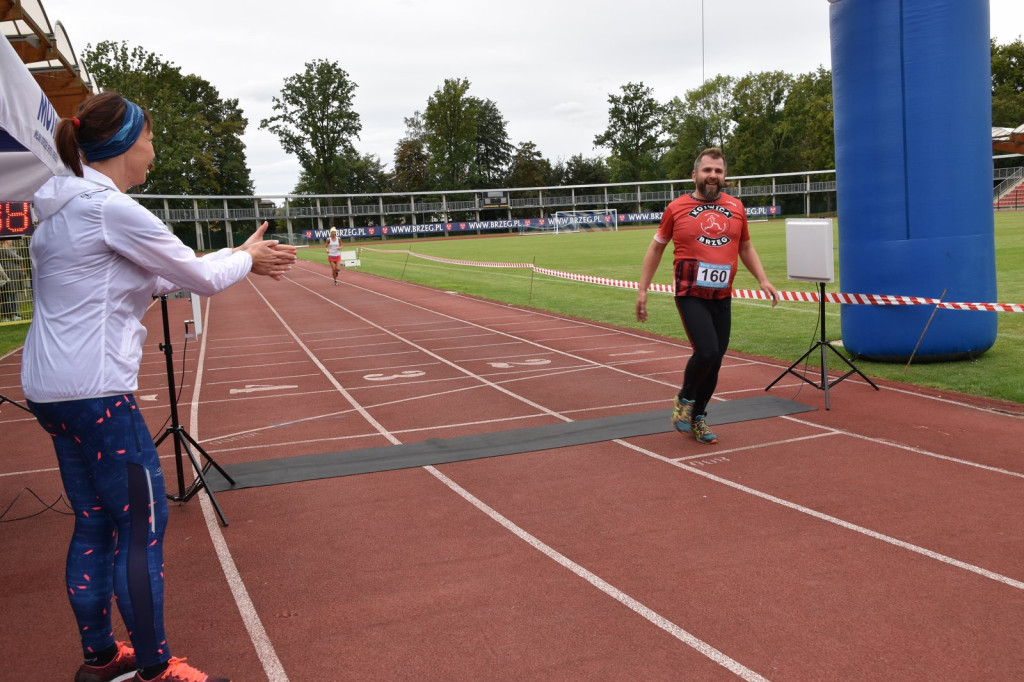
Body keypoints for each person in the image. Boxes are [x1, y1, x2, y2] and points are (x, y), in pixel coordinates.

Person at [20, 91, 296, 682]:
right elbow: (195, 276)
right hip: (96, 393)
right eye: (149, 137)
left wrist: (239, 254)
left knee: (93, 520)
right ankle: (154, 669)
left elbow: (156, 276)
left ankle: (101, 658)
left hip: (52, 391)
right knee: (142, 525)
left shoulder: (62, 210)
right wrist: (245, 259)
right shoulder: (109, 209)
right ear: (124, 143)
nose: (153, 149)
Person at [636, 147, 778, 445]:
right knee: (707, 351)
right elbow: (656, 248)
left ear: (724, 176)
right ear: (695, 175)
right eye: (707, 170)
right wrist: (642, 289)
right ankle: (685, 399)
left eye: (718, 171)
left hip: (722, 295)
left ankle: (698, 416)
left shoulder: (736, 207)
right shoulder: (676, 208)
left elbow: (746, 247)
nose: (713, 175)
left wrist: (763, 279)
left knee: (716, 360)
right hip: (690, 292)